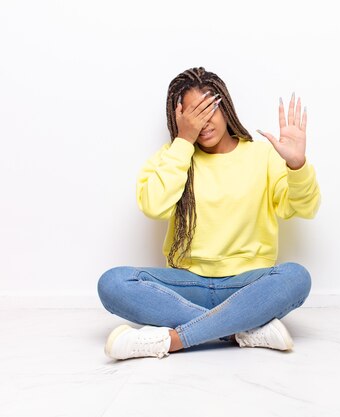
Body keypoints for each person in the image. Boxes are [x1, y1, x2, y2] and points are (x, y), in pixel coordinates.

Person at [97, 67, 321, 360]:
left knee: (296, 277)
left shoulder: (263, 155)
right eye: (192, 115)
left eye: (208, 109)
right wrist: (183, 143)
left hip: (247, 285)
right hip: (185, 285)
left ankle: (176, 339)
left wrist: (297, 165)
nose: (202, 121)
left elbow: (304, 207)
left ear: (224, 105)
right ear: (178, 120)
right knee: (112, 283)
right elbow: (154, 205)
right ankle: (241, 328)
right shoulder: (172, 155)